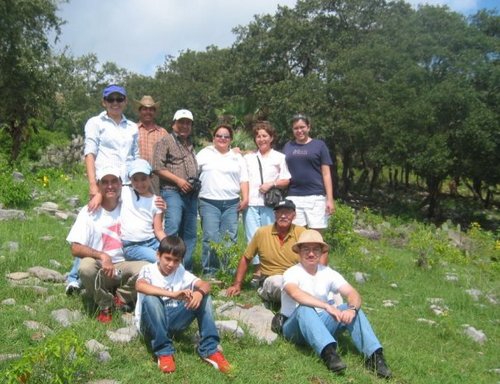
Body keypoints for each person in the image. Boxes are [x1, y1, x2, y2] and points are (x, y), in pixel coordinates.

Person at [280, 230, 392, 378]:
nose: (311, 254)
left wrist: (351, 310)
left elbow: (353, 293)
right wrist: (326, 306)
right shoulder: (291, 273)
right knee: (305, 309)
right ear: (299, 252)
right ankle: (329, 354)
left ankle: (374, 357)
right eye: (306, 249)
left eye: (315, 249)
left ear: (321, 252)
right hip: (295, 327)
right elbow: (295, 293)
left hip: (322, 324)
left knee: (351, 308)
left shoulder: (327, 272)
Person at [65, 84, 139, 295]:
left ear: (125, 101)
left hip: (124, 184)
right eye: (111, 99)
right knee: (93, 222)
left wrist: (139, 189)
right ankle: (74, 277)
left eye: (119, 99)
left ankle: (120, 270)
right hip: (103, 182)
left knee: (119, 227)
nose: (115, 103)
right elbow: (90, 153)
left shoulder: (132, 127)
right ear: (104, 102)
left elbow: (135, 157)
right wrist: (93, 187)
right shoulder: (95, 122)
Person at [135, 235, 232, 374]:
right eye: (167, 259)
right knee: (151, 299)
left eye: (176, 261)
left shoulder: (179, 270)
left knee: (204, 297)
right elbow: (140, 286)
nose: (171, 264)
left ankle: (210, 350)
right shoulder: (148, 269)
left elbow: (205, 284)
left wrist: (199, 293)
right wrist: (172, 294)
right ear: (158, 255)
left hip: (172, 320)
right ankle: (164, 352)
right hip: (149, 324)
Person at [66, 167, 148, 323]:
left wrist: (160, 204)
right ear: (98, 185)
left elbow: (147, 194)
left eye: (114, 181)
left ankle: (121, 298)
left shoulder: (129, 205)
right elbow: (75, 248)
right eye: (105, 182)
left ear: (121, 184)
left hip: (124, 264)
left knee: (148, 269)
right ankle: (105, 304)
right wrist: (102, 256)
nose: (110, 186)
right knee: (85, 267)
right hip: (101, 267)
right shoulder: (89, 211)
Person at [226, 199, 307, 305]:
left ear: (294, 215)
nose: (283, 216)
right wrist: (237, 284)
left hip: (296, 277)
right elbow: (246, 258)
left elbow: (320, 252)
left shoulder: (302, 233)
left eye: (287, 212)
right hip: (272, 278)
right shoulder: (262, 233)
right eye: (280, 212)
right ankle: (297, 304)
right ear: (275, 214)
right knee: (279, 284)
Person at [197, 124, 249, 276]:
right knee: (210, 238)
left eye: (226, 136)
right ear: (213, 138)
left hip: (231, 203)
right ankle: (210, 272)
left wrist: (245, 197)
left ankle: (228, 272)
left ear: (231, 139)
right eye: (219, 135)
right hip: (208, 202)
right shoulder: (204, 154)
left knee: (229, 239)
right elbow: (193, 172)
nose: (222, 139)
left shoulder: (237, 157)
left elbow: (244, 179)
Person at [243, 121, 290, 282]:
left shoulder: (280, 157)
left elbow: (286, 179)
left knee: (270, 236)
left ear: (271, 138)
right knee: (253, 237)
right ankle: (257, 271)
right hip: (251, 203)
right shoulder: (249, 158)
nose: (261, 139)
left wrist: (272, 184)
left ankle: (270, 269)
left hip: (270, 204)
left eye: (264, 136)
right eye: (258, 136)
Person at [152, 109, 199, 271]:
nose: (185, 126)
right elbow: (157, 167)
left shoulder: (190, 143)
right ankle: (165, 266)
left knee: (190, 233)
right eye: (182, 122)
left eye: (188, 123)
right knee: (173, 229)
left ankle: (185, 268)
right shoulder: (165, 141)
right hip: (172, 191)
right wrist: (179, 180)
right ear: (174, 124)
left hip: (191, 194)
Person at [283, 114, 335, 232]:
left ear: (308, 127)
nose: (299, 131)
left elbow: (326, 174)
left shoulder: (319, 145)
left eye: (302, 127)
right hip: (294, 196)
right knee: (297, 237)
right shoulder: (288, 146)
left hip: (316, 197)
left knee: (316, 238)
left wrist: (330, 199)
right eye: (296, 128)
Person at [121, 159, 167, 263]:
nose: (139, 183)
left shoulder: (156, 200)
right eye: (135, 180)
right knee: (160, 261)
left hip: (152, 241)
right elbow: (107, 191)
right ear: (130, 179)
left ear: (150, 177)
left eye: (143, 179)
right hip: (132, 245)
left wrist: (169, 245)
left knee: (173, 257)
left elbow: (158, 230)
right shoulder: (125, 192)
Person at [134, 95, 168, 195]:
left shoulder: (163, 132)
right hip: (137, 176)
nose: (148, 112)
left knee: (156, 205)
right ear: (140, 111)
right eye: (145, 109)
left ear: (154, 112)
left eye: (151, 109)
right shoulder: (132, 130)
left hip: (156, 177)